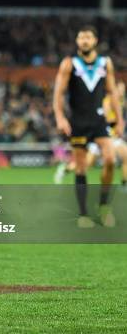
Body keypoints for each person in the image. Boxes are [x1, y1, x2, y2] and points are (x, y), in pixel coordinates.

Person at [53, 25, 124, 228]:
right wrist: (60, 117)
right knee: (81, 167)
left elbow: (112, 92)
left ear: (95, 41)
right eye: (81, 37)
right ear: (77, 41)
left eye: (88, 37)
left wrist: (120, 120)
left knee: (110, 159)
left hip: (99, 120)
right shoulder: (69, 64)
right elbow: (58, 92)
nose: (84, 41)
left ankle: (103, 207)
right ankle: (83, 214)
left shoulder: (105, 63)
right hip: (78, 122)